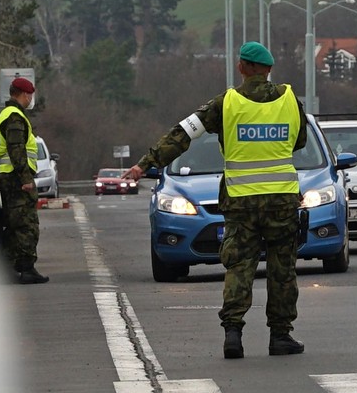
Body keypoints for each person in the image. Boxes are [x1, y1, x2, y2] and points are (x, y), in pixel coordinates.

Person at [123, 42, 308, 360]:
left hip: (240, 202)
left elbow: (183, 134)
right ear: (269, 69)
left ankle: (233, 333)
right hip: (281, 201)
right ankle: (280, 336)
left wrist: (145, 163)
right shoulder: (291, 100)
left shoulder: (226, 103)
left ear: (241, 67)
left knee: (239, 266)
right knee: (282, 269)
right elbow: (300, 141)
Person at [0, 77, 49, 284]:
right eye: (30, 95)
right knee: (26, 224)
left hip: (9, 176)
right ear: (25, 94)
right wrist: (26, 178)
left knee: (13, 223)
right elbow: (16, 149)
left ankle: (10, 268)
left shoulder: (6, 114)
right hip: (16, 178)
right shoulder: (15, 117)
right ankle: (26, 268)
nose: (31, 99)